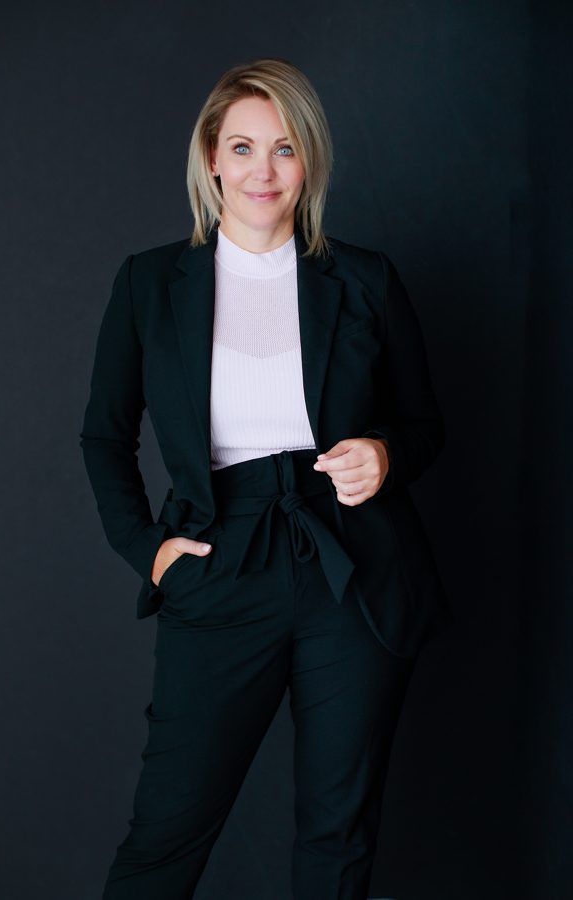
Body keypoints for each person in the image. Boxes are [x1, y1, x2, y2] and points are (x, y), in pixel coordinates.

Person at [80, 57, 452, 900]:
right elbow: (104, 436)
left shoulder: (364, 278)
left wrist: (386, 454)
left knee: (338, 834)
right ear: (212, 157)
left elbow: (425, 424)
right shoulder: (149, 283)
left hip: (352, 567)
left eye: (285, 148)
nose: (264, 170)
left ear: (309, 161)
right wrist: (147, 550)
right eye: (244, 147)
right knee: (166, 832)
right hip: (221, 560)